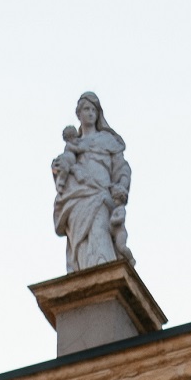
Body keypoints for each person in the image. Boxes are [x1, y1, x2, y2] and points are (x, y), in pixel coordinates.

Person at [52, 92, 132, 272]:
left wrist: (122, 185)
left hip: (101, 195)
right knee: (79, 243)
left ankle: (104, 276)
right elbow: (64, 166)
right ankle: (84, 279)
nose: (90, 113)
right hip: (77, 198)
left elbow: (122, 168)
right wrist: (58, 169)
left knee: (99, 233)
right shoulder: (73, 145)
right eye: (86, 109)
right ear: (78, 114)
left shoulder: (108, 141)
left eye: (93, 110)